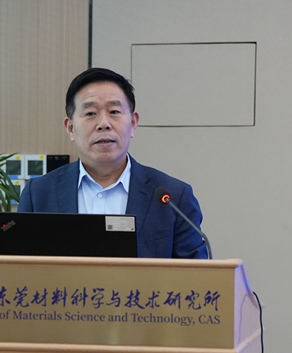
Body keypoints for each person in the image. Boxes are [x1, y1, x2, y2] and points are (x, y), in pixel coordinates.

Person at [18, 67, 207, 259]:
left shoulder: (174, 197)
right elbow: (19, 270)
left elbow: (196, 273)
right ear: (70, 128)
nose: (104, 124)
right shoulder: (39, 194)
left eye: (114, 111)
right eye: (90, 113)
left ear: (133, 123)